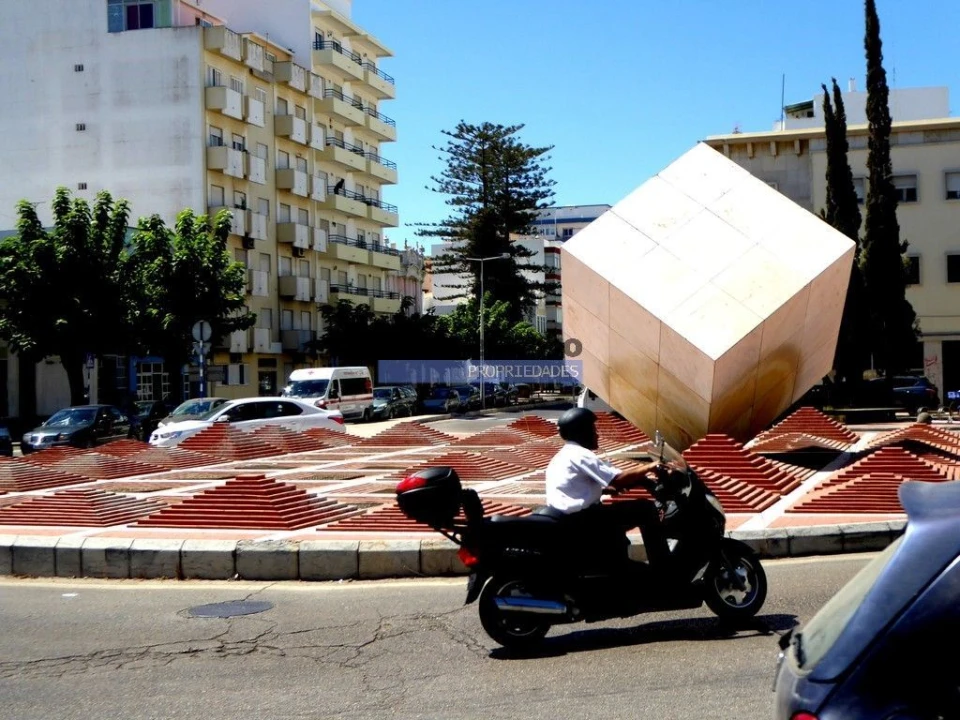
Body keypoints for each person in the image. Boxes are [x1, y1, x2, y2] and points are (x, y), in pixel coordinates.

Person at [544, 407, 672, 572]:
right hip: (582, 520)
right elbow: (616, 479)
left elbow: (595, 485)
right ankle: (665, 571)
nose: (597, 434)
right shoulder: (580, 454)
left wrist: (635, 482)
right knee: (645, 509)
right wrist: (651, 466)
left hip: (570, 518)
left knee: (627, 513)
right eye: (593, 429)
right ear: (581, 431)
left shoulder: (565, 455)